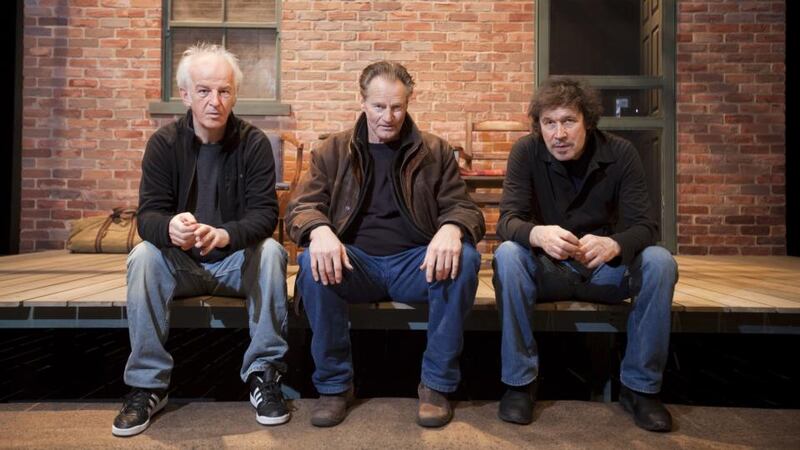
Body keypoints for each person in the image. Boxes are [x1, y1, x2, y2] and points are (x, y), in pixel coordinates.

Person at [286, 61, 485, 428]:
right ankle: (334, 387)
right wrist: (320, 231)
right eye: (379, 106)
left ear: (409, 103)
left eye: (397, 107)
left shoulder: (435, 151)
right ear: (362, 101)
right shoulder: (333, 150)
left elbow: (463, 207)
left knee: (466, 259)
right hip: (354, 262)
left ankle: (436, 385)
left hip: (416, 263)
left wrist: (453, 228)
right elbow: (301, 208)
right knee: (315, 261)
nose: (388, 117)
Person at [112, 44, 290, 437]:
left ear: (234, 95)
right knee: (143, 255)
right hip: (182, 264)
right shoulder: (164, 144)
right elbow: (148, 216)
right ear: (186, 95)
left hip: (234, 263)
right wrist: (170, 228)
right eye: (205, 90)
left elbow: (265, 215)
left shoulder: (254, 143)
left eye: (224, 91)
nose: (215, 101)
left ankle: (264, 375)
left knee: (273, 252)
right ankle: (147, 385)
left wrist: (226, 233)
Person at [492, 77, 677, 432]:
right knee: (508, 256)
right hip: (548, 271)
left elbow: (647, 226)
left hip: (604, 271)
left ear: (587, 122)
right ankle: (519, 384)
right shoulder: (525, 152)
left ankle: (641, 390)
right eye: (549, 123)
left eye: (568, 121)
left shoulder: (621, 153)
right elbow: (507, 221)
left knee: (659, 261)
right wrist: (537, 233)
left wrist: (616, 244)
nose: (558, 133)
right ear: (539, 126)